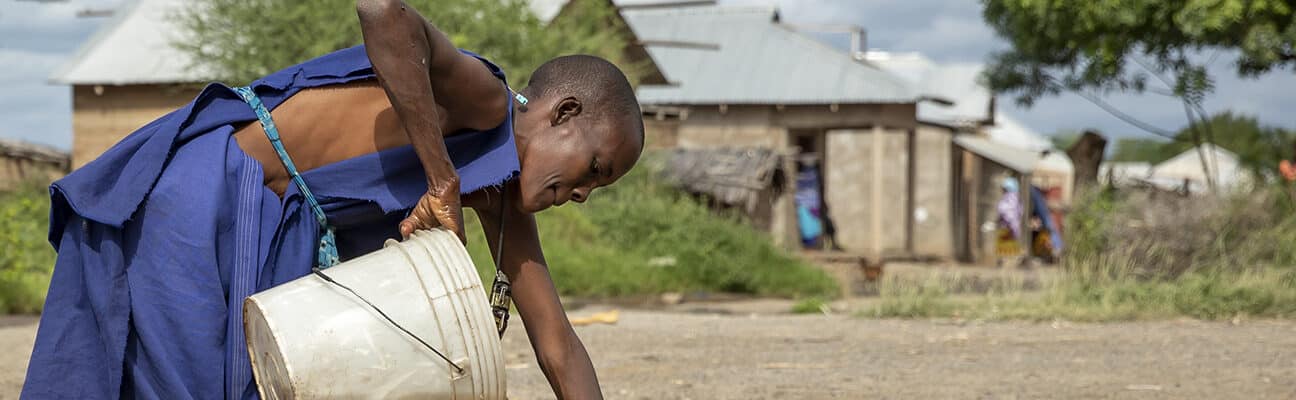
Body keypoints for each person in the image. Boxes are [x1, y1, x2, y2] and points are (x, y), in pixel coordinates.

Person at [21, 1, 642, 399]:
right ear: (562, 113)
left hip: (268, 230)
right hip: (208, 196)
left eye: (597, 188)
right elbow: (384, 12)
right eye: (594, 168)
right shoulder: (485, 101)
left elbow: (557, 343)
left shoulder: (503, 201)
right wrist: (439, 177)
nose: (584, 193)